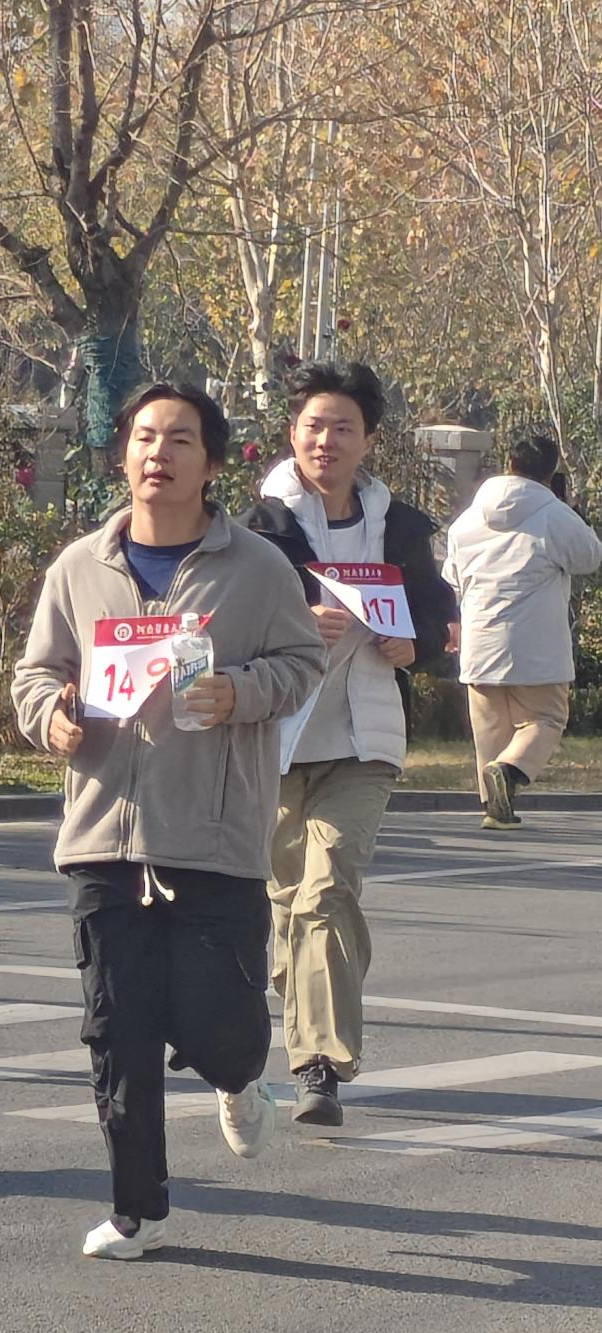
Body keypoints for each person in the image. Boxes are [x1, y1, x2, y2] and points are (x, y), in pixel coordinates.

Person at [12, 381, 326, 1261]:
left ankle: (237, 1080)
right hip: (103, 834)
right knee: (117, 1031)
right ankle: (135, 1210)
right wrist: (51, 720)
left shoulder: (256, 569)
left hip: (213, 837)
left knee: (218, 1026)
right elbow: (35, 675)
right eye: (145, 437)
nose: (158, 453)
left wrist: (240, 691)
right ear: (123, 455)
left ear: (211, 463)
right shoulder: (80, 567)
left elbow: (301, 662)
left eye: (180, 439)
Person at [242, 361, 455, 1129]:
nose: (325, 440)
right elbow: (222, 621)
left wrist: (413, 645)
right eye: (312, 425)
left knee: (327, 889)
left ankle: (318, 1066)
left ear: (367, 440)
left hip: (365, 736)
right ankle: (305, 1014)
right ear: (291, 432)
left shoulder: (399, 527)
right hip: (274, 736)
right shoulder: (257, 527)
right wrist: (296, 622)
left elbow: (435, 610)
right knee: (284, 903)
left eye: (342, 427)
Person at [444, 434, 602, 830]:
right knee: (545, 718)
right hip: (536, 645)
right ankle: (511, 771)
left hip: (479, 642)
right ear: (551, 472)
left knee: (490, 729)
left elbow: (452, 578)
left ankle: (495, 807)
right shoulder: (553, 514)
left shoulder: (468, 519)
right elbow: (589, 557)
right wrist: (573, 511)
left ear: (509, 463)